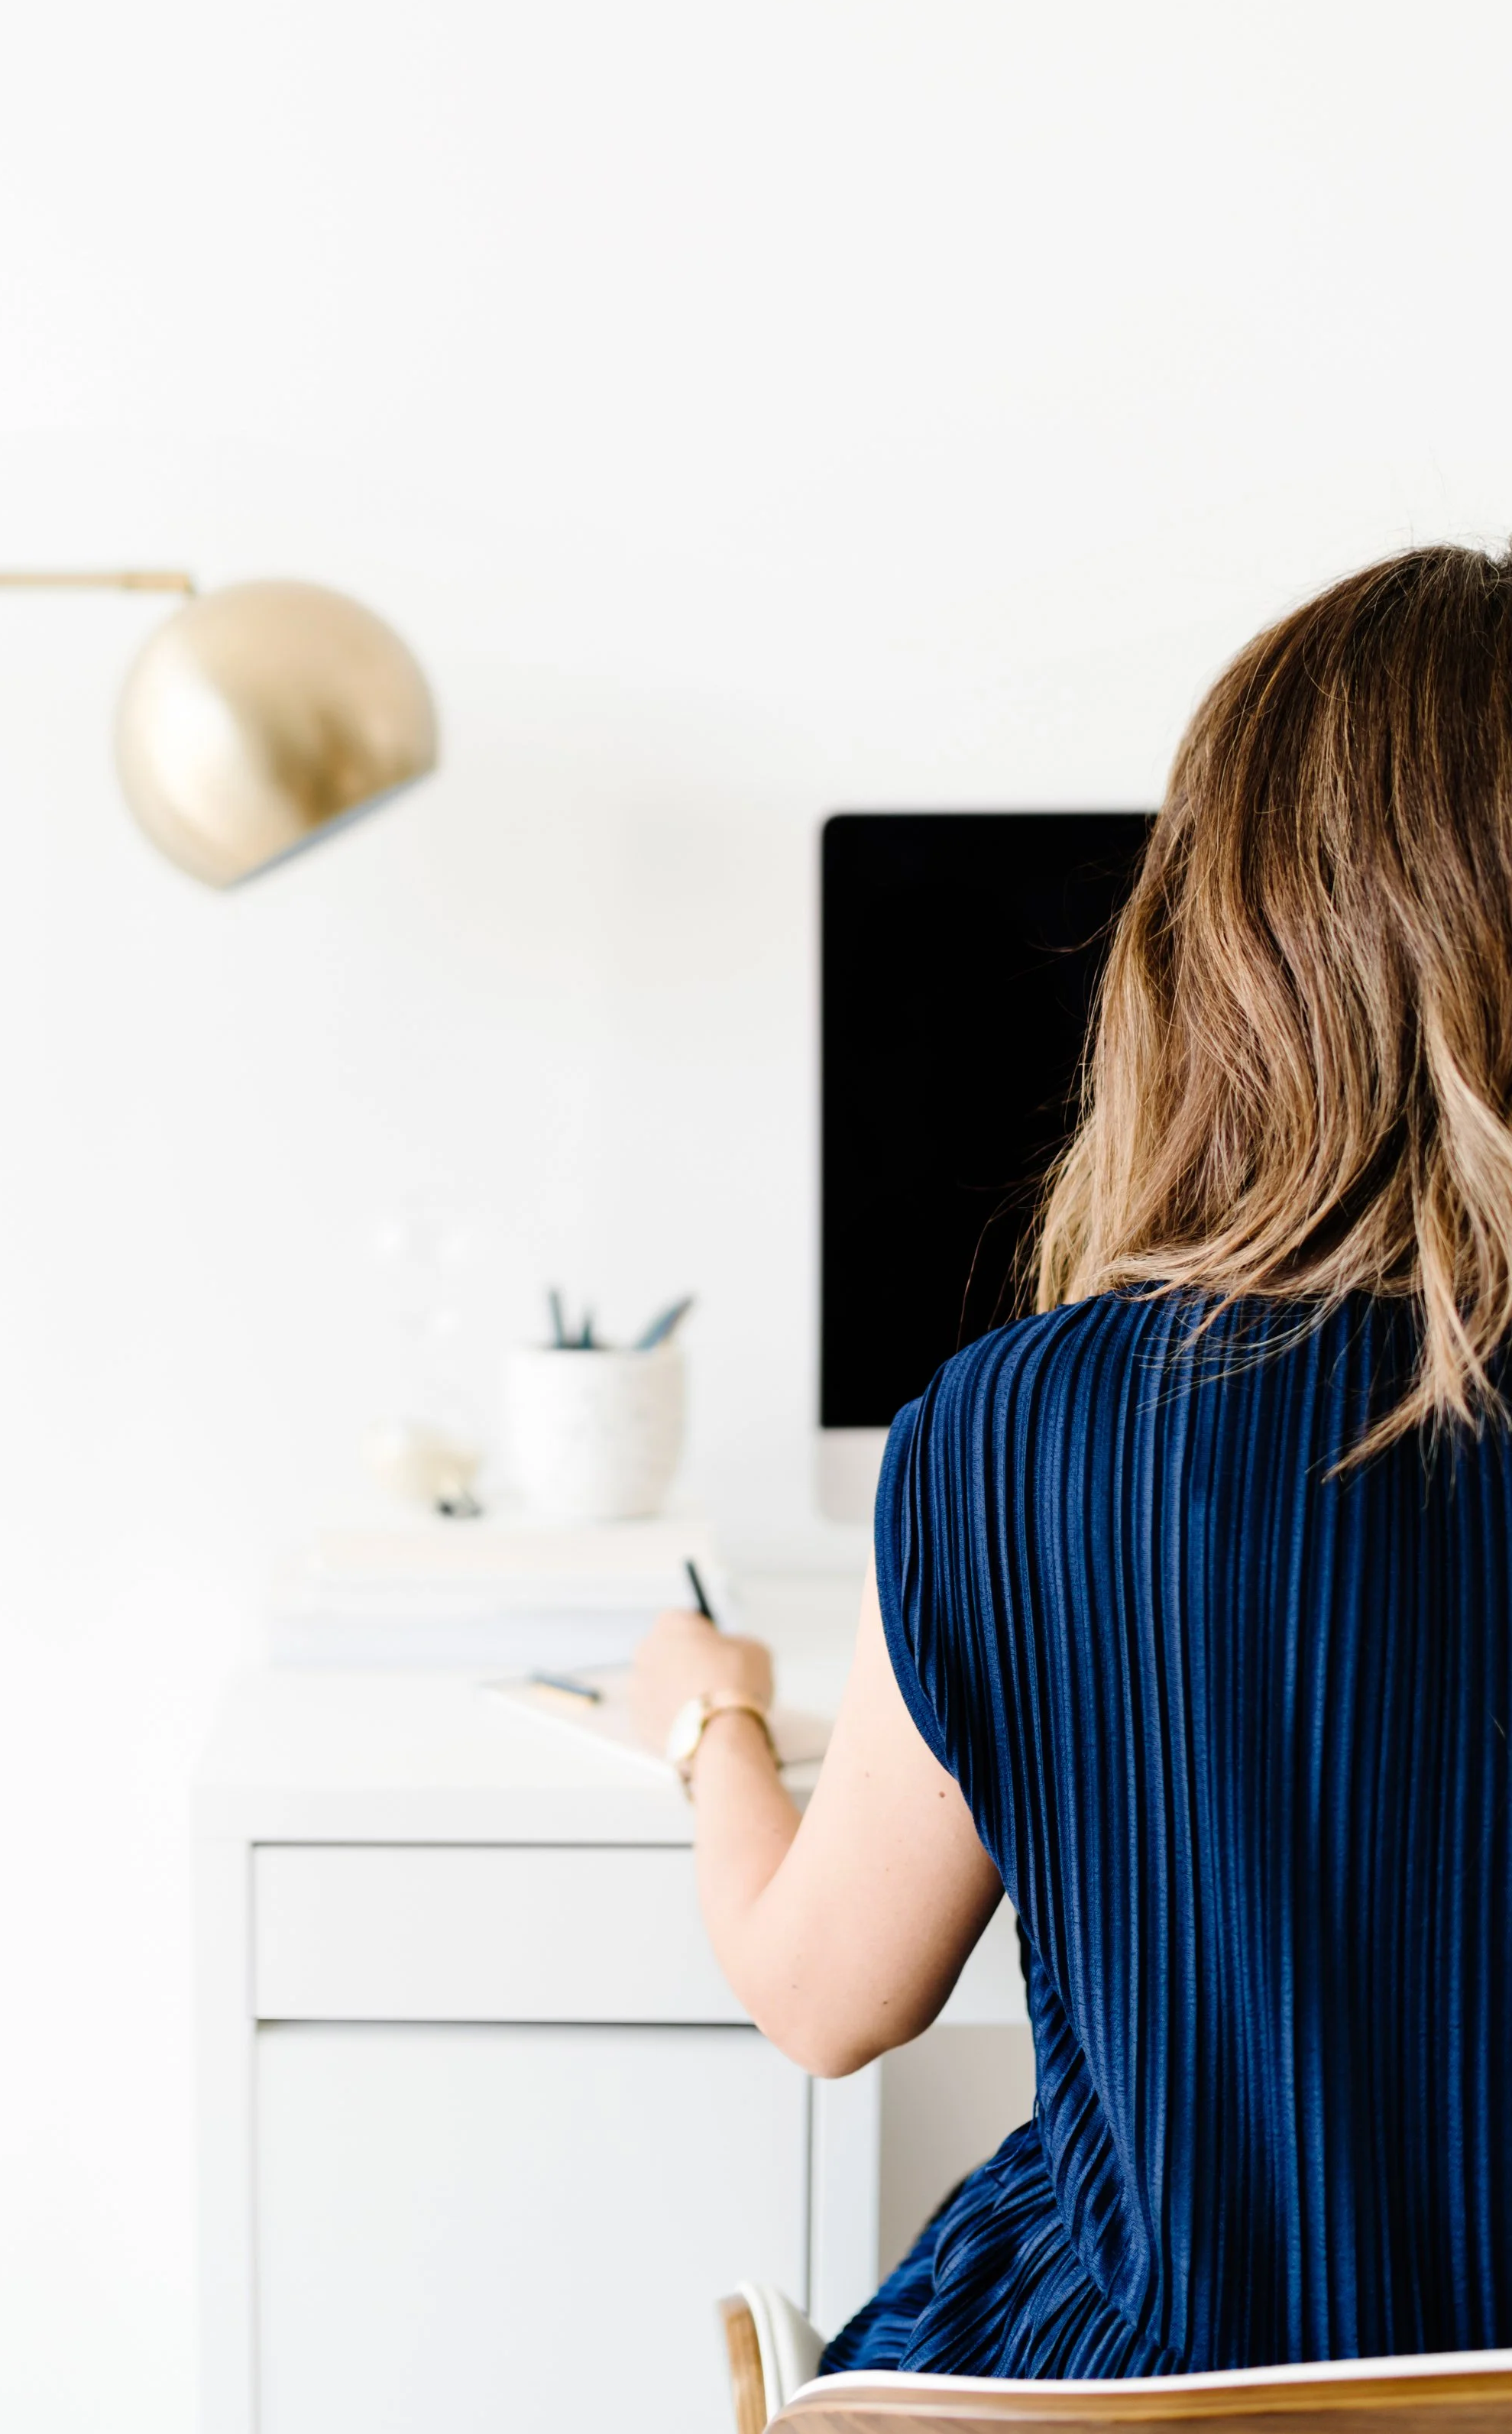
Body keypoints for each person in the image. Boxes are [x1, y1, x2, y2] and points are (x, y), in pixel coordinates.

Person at [630, 542, 1512, 2378]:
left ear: (1229, 936)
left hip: (1137, 2393)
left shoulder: (1024, 1435)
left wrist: (710, 1724)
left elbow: (824, 1996)